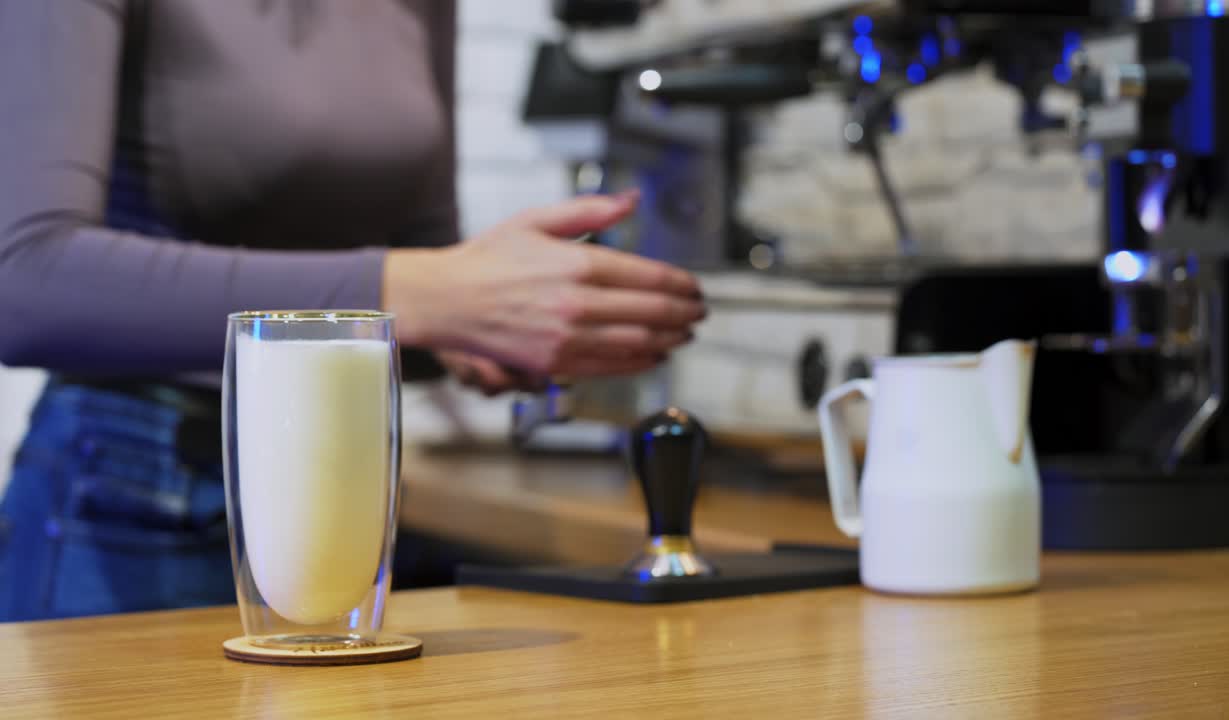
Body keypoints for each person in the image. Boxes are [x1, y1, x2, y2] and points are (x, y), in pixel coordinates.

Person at [0, 1, 705, 621]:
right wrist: (429, 292)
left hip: (354, 486)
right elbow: (24, 281)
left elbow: (420, 253)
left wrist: (487, 323)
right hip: (141, 498)